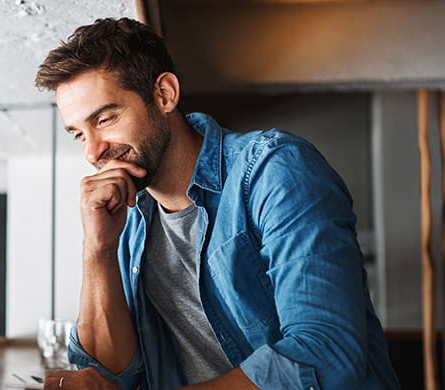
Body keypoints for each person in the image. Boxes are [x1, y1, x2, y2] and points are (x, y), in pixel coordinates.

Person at [34, 18, 400, 390]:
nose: (93, 152)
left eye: (105, 119)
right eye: (79, 134)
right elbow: (107, 375)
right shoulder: (126, 214)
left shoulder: (275, 170)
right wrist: (98, 248)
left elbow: (326, 354)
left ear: (164, 94)